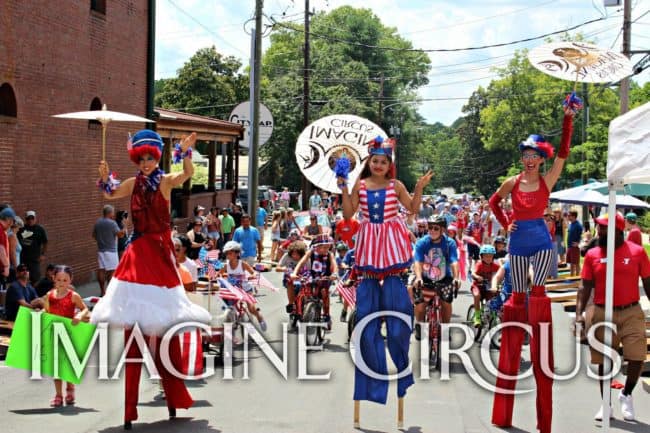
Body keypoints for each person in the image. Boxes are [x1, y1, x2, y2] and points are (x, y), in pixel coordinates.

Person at [91, 129, 211, 429]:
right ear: (136, 158)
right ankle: (129, 410)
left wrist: (184, 154)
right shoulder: (132, 183)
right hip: (137, 249)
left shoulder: (166, 181)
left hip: (158, 251)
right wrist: (104, 176)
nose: (145, 163)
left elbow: (186, 174)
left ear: (156, 157)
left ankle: (172, 394)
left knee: (163, 326)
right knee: (132, 324)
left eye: (149, 158)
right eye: (141, 158)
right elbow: (109, 194)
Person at [488, 98, 577, 433]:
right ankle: (517, 335)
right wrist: (505, 220)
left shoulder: (546, 180)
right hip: (517, 240)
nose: (528, 161)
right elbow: (494, 202)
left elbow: (565, 153)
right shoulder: (512, 182)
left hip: (540, 240)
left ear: (541, 159)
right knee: (518, 297)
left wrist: (567, 118)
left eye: (533, 156)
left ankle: (537, 334)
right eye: (525, 156)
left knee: (537, 295)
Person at [338, 135, 432, 422]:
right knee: (365, 321)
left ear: (389, 164)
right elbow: (348, 215)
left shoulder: (396, 185)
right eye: (375, 161)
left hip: (390, 245)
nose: (379, 165)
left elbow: (413, 210)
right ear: (369, 162)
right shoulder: (361, 185)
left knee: (397, 320)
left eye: (383, 161)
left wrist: (418, 188)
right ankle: (371, 381)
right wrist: (343, 187)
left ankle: (401, 370)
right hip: (368, 244)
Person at [577, 212, 650, 421]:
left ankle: (626, 394)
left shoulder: (637, 252)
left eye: (603, 228)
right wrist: (580, 313)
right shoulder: (593, 254)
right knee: (604, 360)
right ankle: (606, 403)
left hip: (631, 311)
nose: (599, 231)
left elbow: (648, 282)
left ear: (617, 231)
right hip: (602, 312)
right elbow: (585, 285)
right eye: (599, 227)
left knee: (637, 357)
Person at [43, 265, 89, 407]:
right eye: (59, 280)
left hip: (69, 334)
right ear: (53, 279)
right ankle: (58, 395)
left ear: (70, 280)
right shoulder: (49, 296)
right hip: (54, 334)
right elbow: (47, 312)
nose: (61, 283)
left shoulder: (73, 296)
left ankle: (70, 389)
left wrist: (79, 316)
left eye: (65, 280)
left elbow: (85, 309)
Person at [412, 215, 459, 338]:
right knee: (421, 305)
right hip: (425, 277)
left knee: (446, 303)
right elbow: (418, 261)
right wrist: (418, 277)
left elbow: (454, 261)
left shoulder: (450, 243)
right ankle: (419, 325)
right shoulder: (422, 243)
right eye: (430, 228)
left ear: (443, 230)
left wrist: (456, 277)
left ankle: (445, 328)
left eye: (436, 228)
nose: (432, 230)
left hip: (445, 278)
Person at [290, 234, 337, 329]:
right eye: (323, 247)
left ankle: (327, 315)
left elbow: (334, 265)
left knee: (324, 293)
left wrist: (334, 274)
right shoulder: (311, 252)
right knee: (304, 288)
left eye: (328, 247)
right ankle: (300, 310)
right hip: (312, 276)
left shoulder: (330, 255)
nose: (326, 249)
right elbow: (301, 262)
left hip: (325, 277)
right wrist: (294, 273)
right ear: (317, 246)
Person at [220, 241, 267, 331]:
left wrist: (253, 276)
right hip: (234, 289)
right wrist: (216, 277)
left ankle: (260, 318)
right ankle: (230, 321)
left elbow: (253, 272)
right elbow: (219, 274)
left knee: (251, 308)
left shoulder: (242, 264)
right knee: (229, 306)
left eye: (230, 253)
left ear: (237, 253)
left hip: (245, 288)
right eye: (227, 253)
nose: (228, 255)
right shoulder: (226, 265)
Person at [93, 204, 125, 296]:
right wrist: (125, 226)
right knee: (112, 271)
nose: (114, 214)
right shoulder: (112, 223)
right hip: (111, 251)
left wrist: (101, 241)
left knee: (101, 270)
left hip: (101, 250)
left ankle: (102, 291)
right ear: (110, 213)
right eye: (113, 212)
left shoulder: (98, 222)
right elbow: (120, 235)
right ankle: (110, 293)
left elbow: (94, 235)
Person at [470, 245, 500, 326]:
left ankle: (491, 315)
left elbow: (501, 274)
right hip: (477, 286)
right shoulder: (479, 265)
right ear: (481, 257)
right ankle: (477, 317)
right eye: (486, 256)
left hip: (488, 287)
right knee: (477, 296)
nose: (488, 258)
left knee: (493, 299)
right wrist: (477, 277)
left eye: (490, 256)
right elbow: (473, 273)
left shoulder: (496, 266)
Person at [276, 240, 308, 316]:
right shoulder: (286, 256)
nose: (295, 256)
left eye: (297, 255)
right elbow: (277, 268)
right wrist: (283, 269)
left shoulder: (305, 258)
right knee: (290, 283)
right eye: (293, 254)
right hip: (290, 278)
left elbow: (309, 270)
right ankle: (291, 303)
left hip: (302, 277)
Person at [18, 210, 48, 284]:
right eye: (28, 218)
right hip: (23, 258)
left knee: (35, 278)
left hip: (34, 259)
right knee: (23, 278)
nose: (30, 220)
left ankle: (35, 293)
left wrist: (43, 254)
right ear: (26, 219)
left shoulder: (40, 229)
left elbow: (45, 242)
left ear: (35, 219)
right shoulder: (21, 229)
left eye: (32, 218)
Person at [566, 209, 583, 276]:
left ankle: (577, 277)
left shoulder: (578, 225)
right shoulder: (571, 224)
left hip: (575, 248)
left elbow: (582, 235)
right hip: (570, 247)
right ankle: (572, 276)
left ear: (574, 216)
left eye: (569, 215)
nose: (568, 217)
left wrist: (578, 243)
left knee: (576, 263)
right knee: (571, 263)